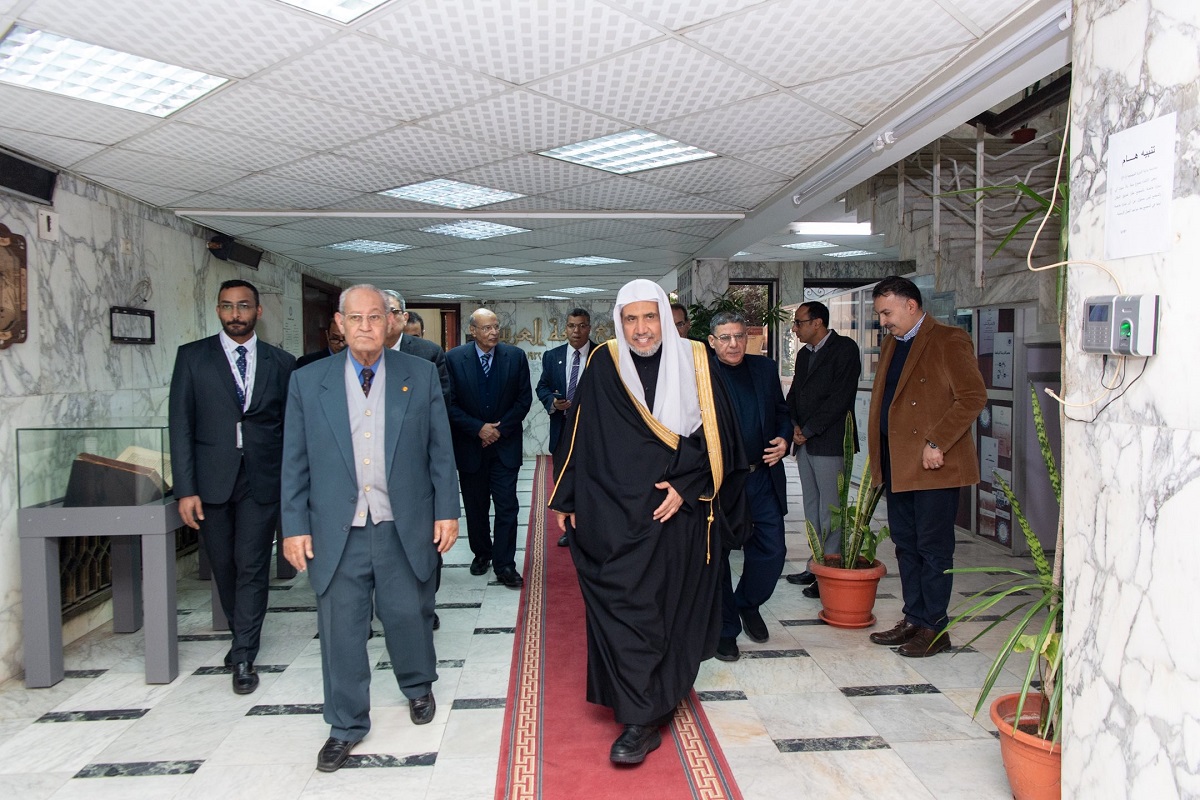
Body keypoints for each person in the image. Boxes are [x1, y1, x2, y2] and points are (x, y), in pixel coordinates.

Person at [550, 279, 746, 766]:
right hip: (613, 515)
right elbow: (582, 433)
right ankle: (639, 716)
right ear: (619, 321)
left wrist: (685, 486)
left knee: (668, 610)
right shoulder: (604, 361)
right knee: (626, 609)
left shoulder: (696, 360)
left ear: (665, 317)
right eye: (631, 319)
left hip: (676, 515)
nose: (641, 330)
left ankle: (651, 704)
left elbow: (719, 436)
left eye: (650, 317)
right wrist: (568, 495)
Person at [280, 284, 459, 772]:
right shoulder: (307, 381)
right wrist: (293, 526)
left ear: (391, 321)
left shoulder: (418, 375)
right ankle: (344, 724)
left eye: (375, 317)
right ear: (339, 323)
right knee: (340, 629)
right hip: (337, 528)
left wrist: (448, 510)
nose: (365, 326)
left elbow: (440, 450)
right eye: (355, 318)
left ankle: (418, 686)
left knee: (408, 613)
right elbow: (293, 461)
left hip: (403, 522)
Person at [169, 279, 296, 694]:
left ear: (258, 311)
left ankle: (244, 652)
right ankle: (241, 635)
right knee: (223, 565)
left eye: (243, 306)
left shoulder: (281, 362)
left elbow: (290, 428)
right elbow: (181, 427)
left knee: (252, 564)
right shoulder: (192, 358)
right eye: (227, 306)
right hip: (211, 480)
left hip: (262, 478)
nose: (235, 314)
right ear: (218, 311)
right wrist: (186, 489)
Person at [866, 276, 986, 657]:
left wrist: (937, 441)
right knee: (906, 547)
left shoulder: (949, 339)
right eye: (880, 314)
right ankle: (914, 618)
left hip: (933, 465)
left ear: (911, 306)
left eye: (887, 312)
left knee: (934, 549)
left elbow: (972, 396)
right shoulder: (892, 343)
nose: (883, 320)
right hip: (897, 464)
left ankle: (935, 627)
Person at [707, 311, 790, 662]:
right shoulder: (701, 375)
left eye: (739, 336)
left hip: (761, 476)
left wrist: (785, 439)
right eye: (724, 337)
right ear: (711, 342)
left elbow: (783, 412)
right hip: (720, 483)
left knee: (773, 551)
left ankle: (748, 603)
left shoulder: (765, 370)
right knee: (719, 558)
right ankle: (726, 630)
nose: (733, 344)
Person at [445, 308, 532, 588]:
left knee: (507, 506)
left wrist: (498, 429)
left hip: (505, 447)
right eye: (486, 328)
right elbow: (450, 404)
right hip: (470, 447)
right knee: (476, 506)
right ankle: (482, 553)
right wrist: (478, 428)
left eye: (496, 327)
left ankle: (505, 564)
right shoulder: (454, 359)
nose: (493, 332)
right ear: (473, 330)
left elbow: (523, 400)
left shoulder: (515, 357)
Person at [784, 301, 863, 597]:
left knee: (831, 510)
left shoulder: (844, 349)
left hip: (829, 442)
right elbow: (795, 393)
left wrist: (810, 429)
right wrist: (793, 424)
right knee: (811, 507)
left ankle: (830, 570)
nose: (795, 328)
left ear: (817, 323)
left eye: (799, 322)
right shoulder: (804, 355)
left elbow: (840, 399)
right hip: (804, 441)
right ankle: (814, 564)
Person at [383, 289, 450, 630]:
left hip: (415, 473)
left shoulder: (427, 355)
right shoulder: (357, 355)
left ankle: (426, 605)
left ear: (404, 316)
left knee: (423, 549)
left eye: (392, 312)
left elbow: (439, 419)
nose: (385, 319)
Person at [534, 307, 596, 547]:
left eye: (581, 325)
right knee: (563, 480)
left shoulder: (601, 355)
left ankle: (591, 529)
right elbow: (542, 387)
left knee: (592, 481)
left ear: (589, 328)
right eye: (571, 326)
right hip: (562, 430)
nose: (576, 331)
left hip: (593, 433)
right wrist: (552, 402)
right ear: (565, 328)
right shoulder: (552, 356)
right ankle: (569, 530)